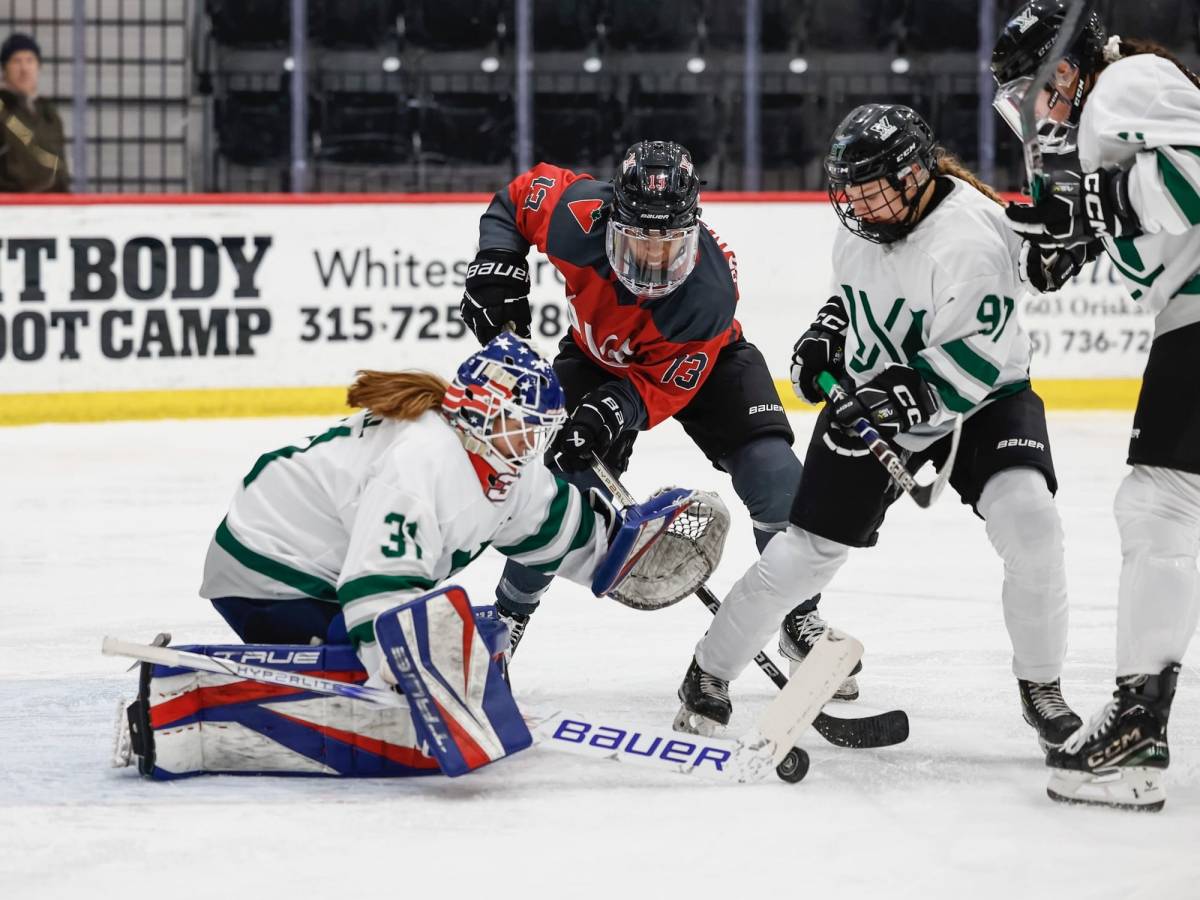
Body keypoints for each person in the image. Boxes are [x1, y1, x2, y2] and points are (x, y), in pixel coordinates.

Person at [675, 102, 1083, 750]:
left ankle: (1041, 686)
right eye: (853, 194)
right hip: (878, 396)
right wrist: (827, 335)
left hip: (984, 398)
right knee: (806, 553)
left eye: (873, 192)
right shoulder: (863, 229)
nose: (860, 207)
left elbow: (975, 362)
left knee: (1031, 523)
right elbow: (854, 297)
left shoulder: (971, 239)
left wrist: (901, 395)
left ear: (916, 175)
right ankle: (709, 673)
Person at [458, 140, 858, 706]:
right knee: (558, 492)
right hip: (597, 362)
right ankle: (502, 628)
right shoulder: (578, 215)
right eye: (637, 240)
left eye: (666, 243)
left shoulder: (709, 292)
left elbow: (667, 385)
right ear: (610, 221)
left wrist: (616, 410)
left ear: (693, 228)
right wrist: (496, 262)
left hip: (706, 365)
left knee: (780, 483)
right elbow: (517, 199)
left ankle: (798, 615)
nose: (650, 258)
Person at [991, 0, 1200, 811]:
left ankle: (1139, 726)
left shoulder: (1125, 86)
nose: (1031, 112)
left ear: (1069, 70)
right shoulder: (1116, 109)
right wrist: (1074, 237)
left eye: (1033, 91)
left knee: (1158, 504)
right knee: (1165, 505)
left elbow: (1188, 182)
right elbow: (1144, 199)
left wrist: (1088, 211)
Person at [200, 335, 616, 683]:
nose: (530, 444)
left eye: (538, 429)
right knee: (366, 667)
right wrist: (405, 674)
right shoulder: (423, 460)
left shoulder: (504, 462)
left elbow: (558, 527)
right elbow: (377, 585)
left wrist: (623, 553)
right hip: (266, 565)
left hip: (326, 566)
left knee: (446, 642)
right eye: (522, 425)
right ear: (481, 412)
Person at [0, 32, 68, 193]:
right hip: (10, 206)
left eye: (29, 60)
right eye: (16, 61)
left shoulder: (48, 112)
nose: (24, 68)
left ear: (38, 66)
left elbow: (60, 161)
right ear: (5, 68)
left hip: (51, 205)